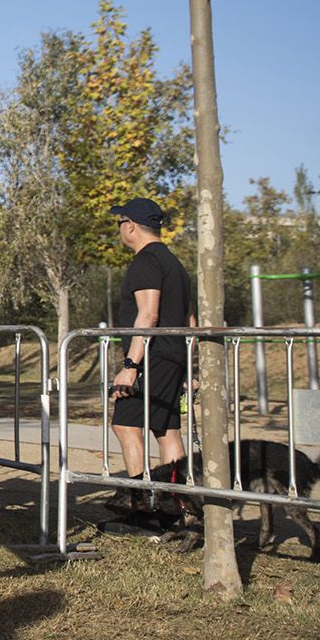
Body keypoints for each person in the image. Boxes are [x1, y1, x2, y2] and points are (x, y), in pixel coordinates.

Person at [107, 197, 193, 501]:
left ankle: (142, 503)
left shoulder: (146, 260)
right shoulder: (174, 263)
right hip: (173, 357)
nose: (119, 230)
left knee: (125, 426)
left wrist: (130, 367)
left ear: (130, 225)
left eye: (120, 223)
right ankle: (179, 505)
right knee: (166, 430)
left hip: (151, 357)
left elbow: (148, 314)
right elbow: (189, 319)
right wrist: (190, 368)